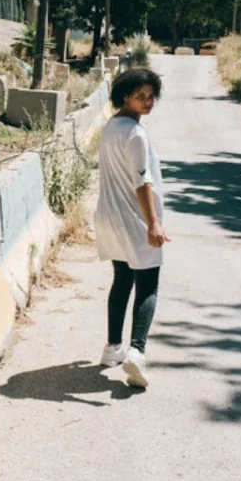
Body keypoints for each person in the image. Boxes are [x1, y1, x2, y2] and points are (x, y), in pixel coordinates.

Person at [94, 67, 170, 388]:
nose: (148, 102)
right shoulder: (135, 135)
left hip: (109, 217)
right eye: (141, 96)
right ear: (125, 95)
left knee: (122, 278)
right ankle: (136, 352)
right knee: (148, 284)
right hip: (133, 219)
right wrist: (153, 223)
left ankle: (113, 347)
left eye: (151, 97)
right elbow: (143, 182)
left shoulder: (112, 127)